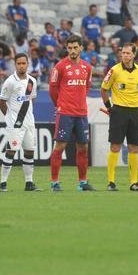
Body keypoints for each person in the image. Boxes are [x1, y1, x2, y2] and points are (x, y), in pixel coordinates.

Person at [100, 42, 138, 191]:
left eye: (128, 53)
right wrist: (110, 108)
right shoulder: (114, 70)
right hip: (119, 111)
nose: (125, 55)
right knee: (115, 146)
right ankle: (111, 182)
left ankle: (133, 182)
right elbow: (103, 90)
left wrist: (136, 102)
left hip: (134, 112)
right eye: (123, 52)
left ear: (134, 54)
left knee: (134, 147)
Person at [48, 37, 94, 190]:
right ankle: (54, 182)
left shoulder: (87, 68)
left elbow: (86, 87)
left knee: (83, 148)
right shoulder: (59, 67)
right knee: (60, 146)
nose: (72, 51)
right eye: (70, 48)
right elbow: (53, 90)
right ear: (66, 49)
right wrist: (60, 105)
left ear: (81, 48)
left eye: (75, 47)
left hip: (81, 113)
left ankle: (82, 182)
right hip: (65, 113)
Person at [0, 53, 40, 191]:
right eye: (19, 63)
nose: (21, 66)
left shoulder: (32, 81)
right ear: (15, 64)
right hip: (15, 124)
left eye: (24, 63)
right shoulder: (10, 82)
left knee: (29, 151)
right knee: (11, 151)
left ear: (27, 64)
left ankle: (29, 183)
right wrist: (10, 118)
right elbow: (2, 102)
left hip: (29, 123)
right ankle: (3, 183)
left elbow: (31, 99)